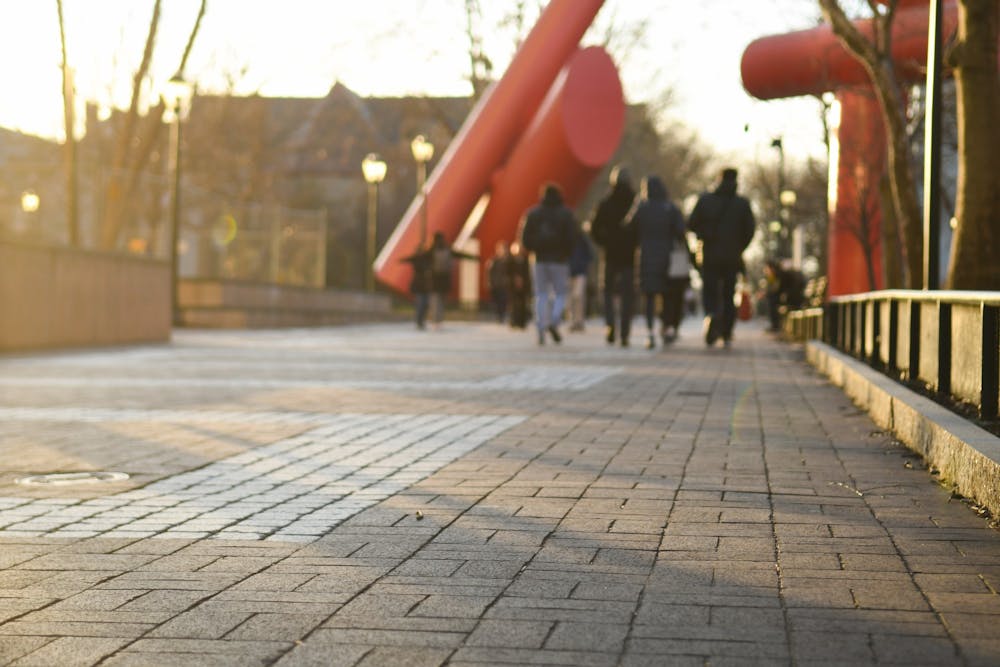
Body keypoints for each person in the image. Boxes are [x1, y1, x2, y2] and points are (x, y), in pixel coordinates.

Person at [689, 168, 756, 347]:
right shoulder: (741, 204)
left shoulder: (705, 200)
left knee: (710, 289)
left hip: (710, 254)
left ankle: (711, 314)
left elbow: (691, 223)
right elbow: (750, 230)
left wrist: (704, 234)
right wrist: (739, 247)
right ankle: (726, 332)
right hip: (732, 257)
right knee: (728, 293)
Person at [631, 175, 686, 349]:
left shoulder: (642, 207)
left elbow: (629, 227)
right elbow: (681, 231)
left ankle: (650, 332)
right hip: (667, 257)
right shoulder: (670, 207)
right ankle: (667, 327)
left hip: (646, 256)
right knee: (668, 295)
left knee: (649, 296)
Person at [519, 182, 577, 346]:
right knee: (560, 294)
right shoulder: (566, 214)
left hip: (539, 259)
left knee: (540, 294)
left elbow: (524, 239)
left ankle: (540, 326)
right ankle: (554, 319)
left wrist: (534, 248)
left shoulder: (533, 213)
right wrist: (566, 253)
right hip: (559, 260)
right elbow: (573, 237)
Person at [590, 165, 637, 347]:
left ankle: (610, 324)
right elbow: (640, 228)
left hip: (609, 255)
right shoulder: (635, 202)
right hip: (628, 256)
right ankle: (624, 332)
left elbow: (594, 229)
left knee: (607, 292)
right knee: (627, 296)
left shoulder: (605, 203)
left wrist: (604, 241)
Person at [427, 231, 477, 329]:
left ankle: (437, 320)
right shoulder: (440, 250)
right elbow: (459, 255)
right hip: (439, 279)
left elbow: (460, 255)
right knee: (437, 300)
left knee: (438, 300)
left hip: (438, 279)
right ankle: (437, 320)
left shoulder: (434, 251)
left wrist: (473, 257)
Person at [764, 258, 806, 332]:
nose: (766, 271)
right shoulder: (781, 273)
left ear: (772, 268)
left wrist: (767, 293)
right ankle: (776, 325)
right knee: (772, 299)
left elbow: (777, 290)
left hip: (794, 299)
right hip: (795, 297)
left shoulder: (780, 274)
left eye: (767, 268)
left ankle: (775, 325)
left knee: (772, 300)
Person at [567, 222, 594, 332]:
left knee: (578, 296)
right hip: (569, 272)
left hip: (580, 272)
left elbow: (590, 254)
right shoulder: (566, 239)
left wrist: (584, 264)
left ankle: (579, 321)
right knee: (571, 298)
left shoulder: (582, 239)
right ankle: (573, 321)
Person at [400, 241, 433, 330]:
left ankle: (421, 320)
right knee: (421, 303)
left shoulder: (427, 258)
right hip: (419, 285)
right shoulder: (418, 259)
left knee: (424, 304)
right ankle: (419, 321)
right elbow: (408, 260)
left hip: (425, 285)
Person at [506, 241, 531, 329]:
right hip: (513, 286)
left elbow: (527, 273)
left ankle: (522, 322)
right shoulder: (510, 260)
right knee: (513, 304)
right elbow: (507, 272)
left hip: (523, 286)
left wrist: (523, 281)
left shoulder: (525, 260)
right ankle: (514, 321)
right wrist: (515, 279)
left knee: (523, 304)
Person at [486, 241, 510, 324]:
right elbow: (489, 272)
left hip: (504, 284)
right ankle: (498, 316)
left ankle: (502, 316)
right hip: (495, 284)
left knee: (503, 301)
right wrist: (489, 282)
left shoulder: (509, 260)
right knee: (496, 301)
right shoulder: (494, 260)